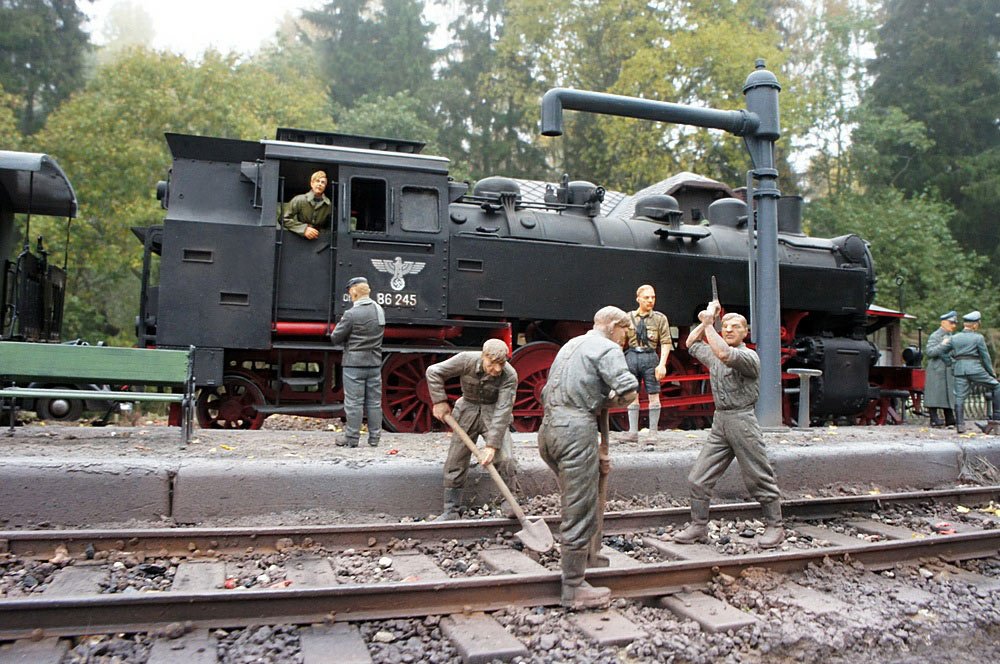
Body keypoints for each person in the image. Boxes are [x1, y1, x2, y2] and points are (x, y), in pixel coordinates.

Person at [538, 306, 638, 610]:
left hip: (548, 430)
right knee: (579, 509)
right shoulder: (607, 348)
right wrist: (608, 400)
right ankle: (573, 586)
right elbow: (628, 389)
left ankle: (586, 560)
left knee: (578, 500)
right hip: (575, 431)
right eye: (625, 333)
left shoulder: (571, 345)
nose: (625, 341)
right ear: (613, 326)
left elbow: (545, 391)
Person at [672, 301, 784, 549]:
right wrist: (707, 320)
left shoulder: (748, 356)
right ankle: (698, 526)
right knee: (698, 478)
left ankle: (775, 526)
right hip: (720, 421)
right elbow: (691, 344)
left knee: (758, 476)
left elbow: (725, 353)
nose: (729, 330)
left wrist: (711, 324)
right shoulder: (715, 356)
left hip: (742, 421)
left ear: (746, 332)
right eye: (727, 326)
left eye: (736, 327)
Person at [426, 339, 519, 520]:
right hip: (466, 410)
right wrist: (439, 401)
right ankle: (451, 510)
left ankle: (510, 503)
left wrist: (491, 446)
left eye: (502, 364)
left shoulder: (509, 375)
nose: (498, 369)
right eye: (493, 364)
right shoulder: (466, 360)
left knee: (505, 457)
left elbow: (503, 410)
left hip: (494, 414)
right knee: (456, 459)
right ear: (483, 356)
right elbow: (433, 372)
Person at [330, 277, 385, 447]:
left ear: (354, 292)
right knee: (374, 403)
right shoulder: (379, 310)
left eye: (350, 292)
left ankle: (352, 438)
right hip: (374, 363)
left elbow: (336, 338)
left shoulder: (351, 314)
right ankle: (375, 438)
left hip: (354, 364)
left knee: (354, 402)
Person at [623, 284, 673, 441]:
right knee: (632, 394)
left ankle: (652, 433)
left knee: (653, 393)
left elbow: (665, 342)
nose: (650, 300)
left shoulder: (659, 319)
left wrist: (662, 364)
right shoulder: (628, 318)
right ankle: (632, 432)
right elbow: (619, 340)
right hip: (632, 356)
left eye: (653, 297)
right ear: (638, 299)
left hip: (650, 357)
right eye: (646, 298)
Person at [950, 310, 1000, 434]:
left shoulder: (954, 338)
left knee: (960, 396)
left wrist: (951, 364)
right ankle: (997, 418)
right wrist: (991, 372)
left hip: (960, 369)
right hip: (975, 369)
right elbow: (985, 356)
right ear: (975, 325)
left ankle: (960, 425)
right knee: (997, 386)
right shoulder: (978, 338)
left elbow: (943, 352)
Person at [924, 311, 958, 427]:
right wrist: (943, 345)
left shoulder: (952, 337)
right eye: (951, 323)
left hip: (947, 369)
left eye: (954, 323)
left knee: (947, 394)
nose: (953, 326)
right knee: (934, 394)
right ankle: (934, 419)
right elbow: (930, 352)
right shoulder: (936, 336)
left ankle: (950, 418)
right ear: (943, 323)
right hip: (937, 369)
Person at [281, 171, 331, 240]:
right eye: (317, 181)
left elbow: (333, 227)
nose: (320, 184)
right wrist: (303, 229)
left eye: (323, 182)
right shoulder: (299, 200)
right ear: (312, 183)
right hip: (298, 240)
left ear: (325, 186)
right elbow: (283, 219)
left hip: (319, 242)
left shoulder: (329, 205)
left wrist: (319, 233)